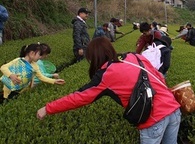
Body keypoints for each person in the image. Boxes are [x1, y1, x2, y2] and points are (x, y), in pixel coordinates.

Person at [36, 37, 181, 144]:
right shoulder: (134, 56)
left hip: (154, 117)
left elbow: (79, 97)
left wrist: (48, 108)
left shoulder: (106, 75)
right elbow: (159, 77)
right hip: (173, 108)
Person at [0, 43, 65, 100]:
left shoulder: (35, 66)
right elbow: (3, 67)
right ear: (32, 53)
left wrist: (54, 81)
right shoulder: (18, 60)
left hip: (20, 89)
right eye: (39, 54)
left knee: (15, 99)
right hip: (9, 87)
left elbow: (41, 77)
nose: (40, 57)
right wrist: (11, 75)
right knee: (7, 98)